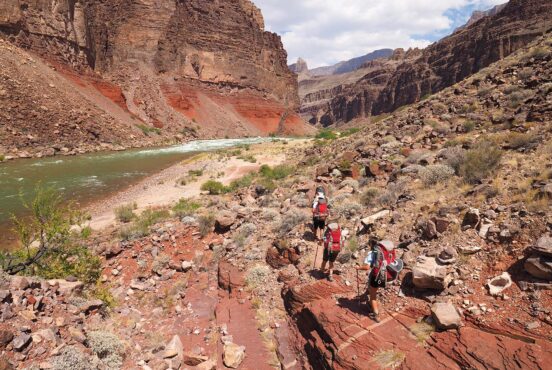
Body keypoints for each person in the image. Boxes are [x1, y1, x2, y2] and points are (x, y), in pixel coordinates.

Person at [356, 240, 400, 323]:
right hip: (387, 275)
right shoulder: (386, 252)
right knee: (372, 288)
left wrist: (358, 268)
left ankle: (376, 315)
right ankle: (365, 299)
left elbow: (367, 267)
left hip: (376, 276)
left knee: (373, 296)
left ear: (370, 246)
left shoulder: (372, 254)